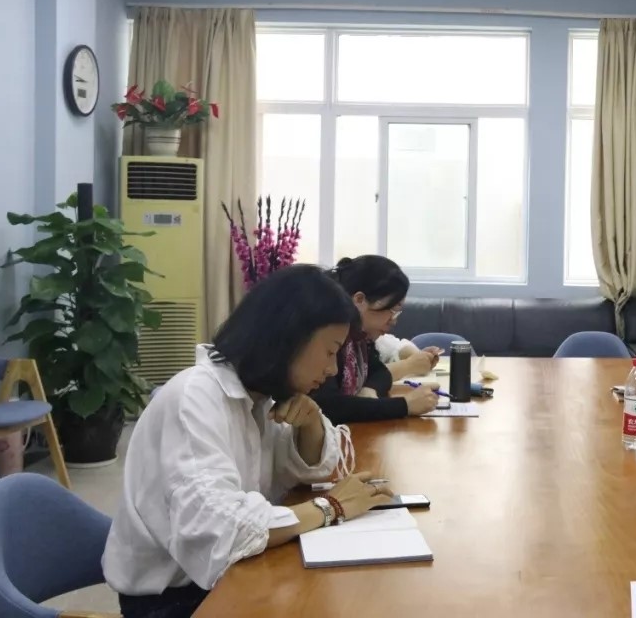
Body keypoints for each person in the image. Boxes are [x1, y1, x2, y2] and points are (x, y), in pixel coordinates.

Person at [103, 265, 396, 618]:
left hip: (227, 572)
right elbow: (223, 533)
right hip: (174, 599)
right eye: (330, 351)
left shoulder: (260, 395)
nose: (333, 369)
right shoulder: (195, 397)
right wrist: (331, 506)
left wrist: (310, 425)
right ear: (287, 339)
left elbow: (307, 470)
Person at [311, 255, 443, 422]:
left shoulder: (360, 337)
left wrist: (369, 389)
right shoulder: (329, 333)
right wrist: (405, 405)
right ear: (359, 300)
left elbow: (379, 372)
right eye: (392, 311)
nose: (393, 321)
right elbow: (329, 406)